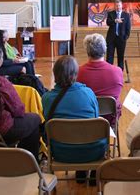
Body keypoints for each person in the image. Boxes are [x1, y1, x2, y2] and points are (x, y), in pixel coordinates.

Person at [42, 55, 107, 183]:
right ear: (76, 73)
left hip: (61, 152)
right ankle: (92, 172)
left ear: (55, 74)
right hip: (92, 151)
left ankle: (81, 172)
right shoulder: (88, 93)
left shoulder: (47, 98)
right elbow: (95, 118)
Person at [77, 33, 123, 126]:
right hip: (109, 120)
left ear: (87, 51)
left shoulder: (77, 72)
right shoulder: (117, 71)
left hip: (85, 118)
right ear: (105, 50)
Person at [106, 0, 131, 70]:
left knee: (120, 56)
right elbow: (108, 22)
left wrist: (125, 37)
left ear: (122, 5)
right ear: (114, 6)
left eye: (119, 5)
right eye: (116, 6)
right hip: (111, 39)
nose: (118, 7)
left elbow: (128, 28)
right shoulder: (111, 13)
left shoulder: (126, 15)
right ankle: (108, 70)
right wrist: (115, 21)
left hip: (121, 39)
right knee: (109, 56)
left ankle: (120, 71)